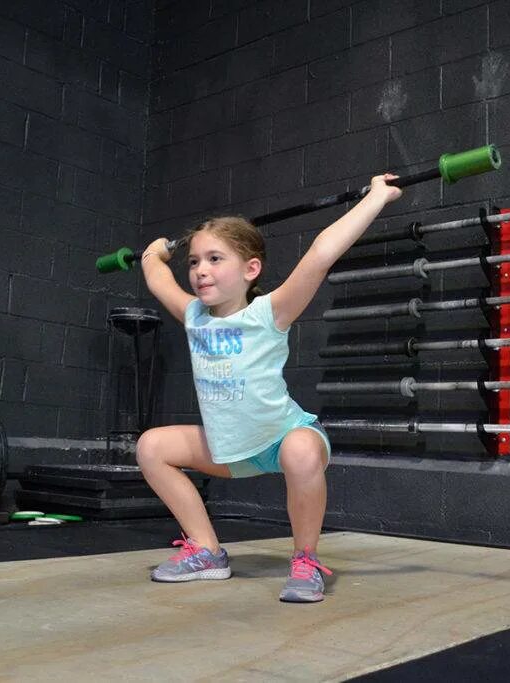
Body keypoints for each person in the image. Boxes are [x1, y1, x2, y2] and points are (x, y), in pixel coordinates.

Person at [136, 173, 403, 602]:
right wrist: (153, 253)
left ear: (251, 269)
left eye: (215, 259)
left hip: (282, 438)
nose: (201, 270)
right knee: (151, 447)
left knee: (300, 451)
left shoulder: (269, 312)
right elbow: (157, 279)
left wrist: (376, 197)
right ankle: (206, 550)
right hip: (230, 449)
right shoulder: (194, 316)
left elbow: (321, 253)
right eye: (194, 261)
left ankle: (305, 560)